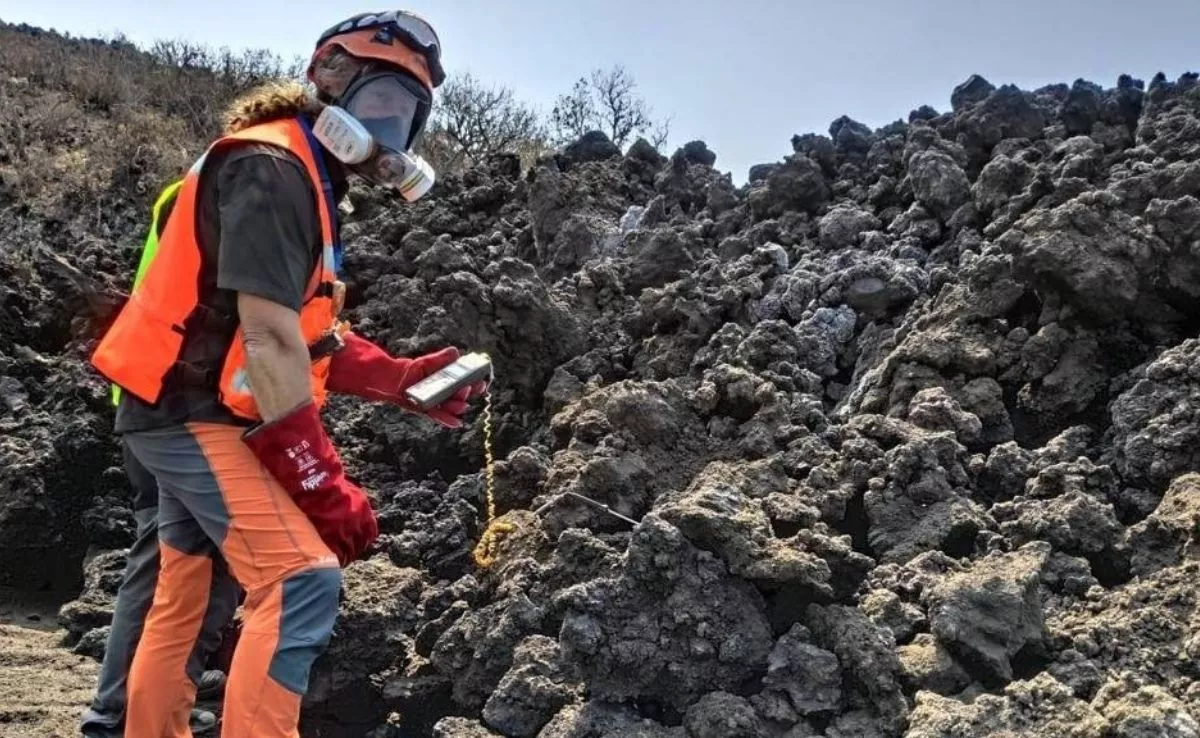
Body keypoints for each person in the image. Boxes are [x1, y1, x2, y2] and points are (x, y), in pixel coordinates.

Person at [88, 9, 485, 737]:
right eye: (375, 104)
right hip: (191, 410)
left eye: (402, 117)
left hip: (186, 408)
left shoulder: (302, 173)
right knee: (302, 579)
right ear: (325, 79)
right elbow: (267, 339)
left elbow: (305, 332)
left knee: (189, 581)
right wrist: (319, 480)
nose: (383, 131)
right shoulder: (273, 169)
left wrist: (399, 378)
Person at [80, 438, 237, 738]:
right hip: (183, 430)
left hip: (159, 426)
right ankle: (119, 713)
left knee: (170, 580)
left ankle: (146, 703)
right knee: (177, 586)